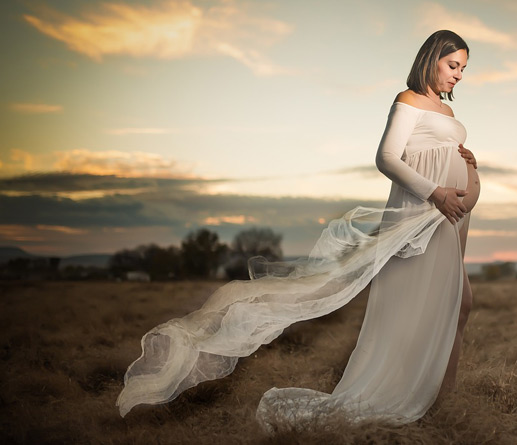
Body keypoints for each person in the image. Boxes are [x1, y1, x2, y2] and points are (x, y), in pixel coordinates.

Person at [116, 29, 481, 431]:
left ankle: (440, 397)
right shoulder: (407, 101)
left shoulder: (446, 113)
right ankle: (414, 396)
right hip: (421, 213)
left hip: (448, 218)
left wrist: (469, 167)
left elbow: (449, 158)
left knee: (458, 303)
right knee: (425, 308)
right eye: (453, 65)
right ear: (431, 59)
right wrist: (435, 192)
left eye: (463, 68)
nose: (458, 75)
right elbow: (387, 158)